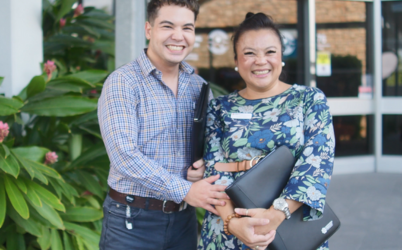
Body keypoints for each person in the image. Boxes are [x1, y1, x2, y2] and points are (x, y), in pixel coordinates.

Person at [97, 1, 230, 249]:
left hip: (184, 220)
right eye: (168, 26)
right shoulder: (122, 82)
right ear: (149, 30)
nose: (178, 36)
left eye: (187, 28)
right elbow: (124, 156)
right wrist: (184, 190)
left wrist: (203, 166)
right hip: (132, 222)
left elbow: (210, 146)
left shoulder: (198, 87)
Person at [198, 13, 335, 250]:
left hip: (291, 225)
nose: (260, 61)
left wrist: (275, 215)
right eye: (249, 53)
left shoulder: (308, 99)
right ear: (237, 61)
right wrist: (233, 222)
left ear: (281, 57)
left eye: (270, 52)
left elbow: (317, 161)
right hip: (228, 232)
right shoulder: (219, 107)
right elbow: (213, 171)